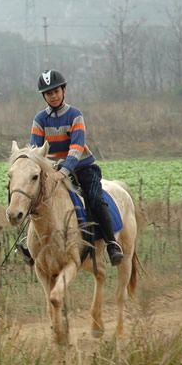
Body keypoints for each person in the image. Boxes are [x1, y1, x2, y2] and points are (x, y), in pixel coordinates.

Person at [29, 69, 124, 266]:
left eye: (56, 91)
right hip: (52, 172)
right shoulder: (39, 120)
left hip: (81, 168)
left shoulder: (75, 115)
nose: (53, 96)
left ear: (63, 90)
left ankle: (111, 243)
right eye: (48, 93)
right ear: (44, 96)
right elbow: (35, 151)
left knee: (95, 199)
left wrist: (63, 171)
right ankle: (31, 245)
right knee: (32, 200)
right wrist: (47, 171)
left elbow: (76, 147)